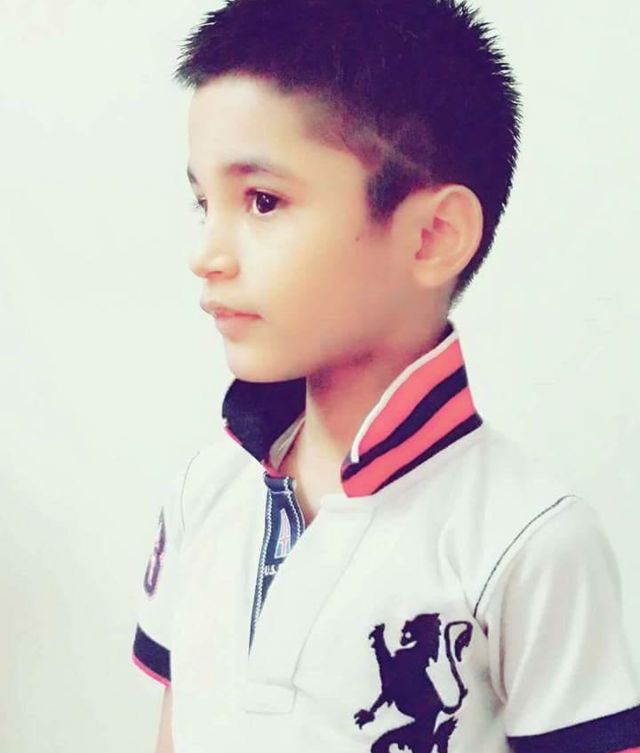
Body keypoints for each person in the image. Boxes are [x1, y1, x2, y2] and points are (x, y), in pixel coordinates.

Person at [131, 1, 640, 751]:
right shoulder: (202, 493)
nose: (206, 253)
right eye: (204, 203)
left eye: (262, 201)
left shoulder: (529, 540)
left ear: (432, 236)